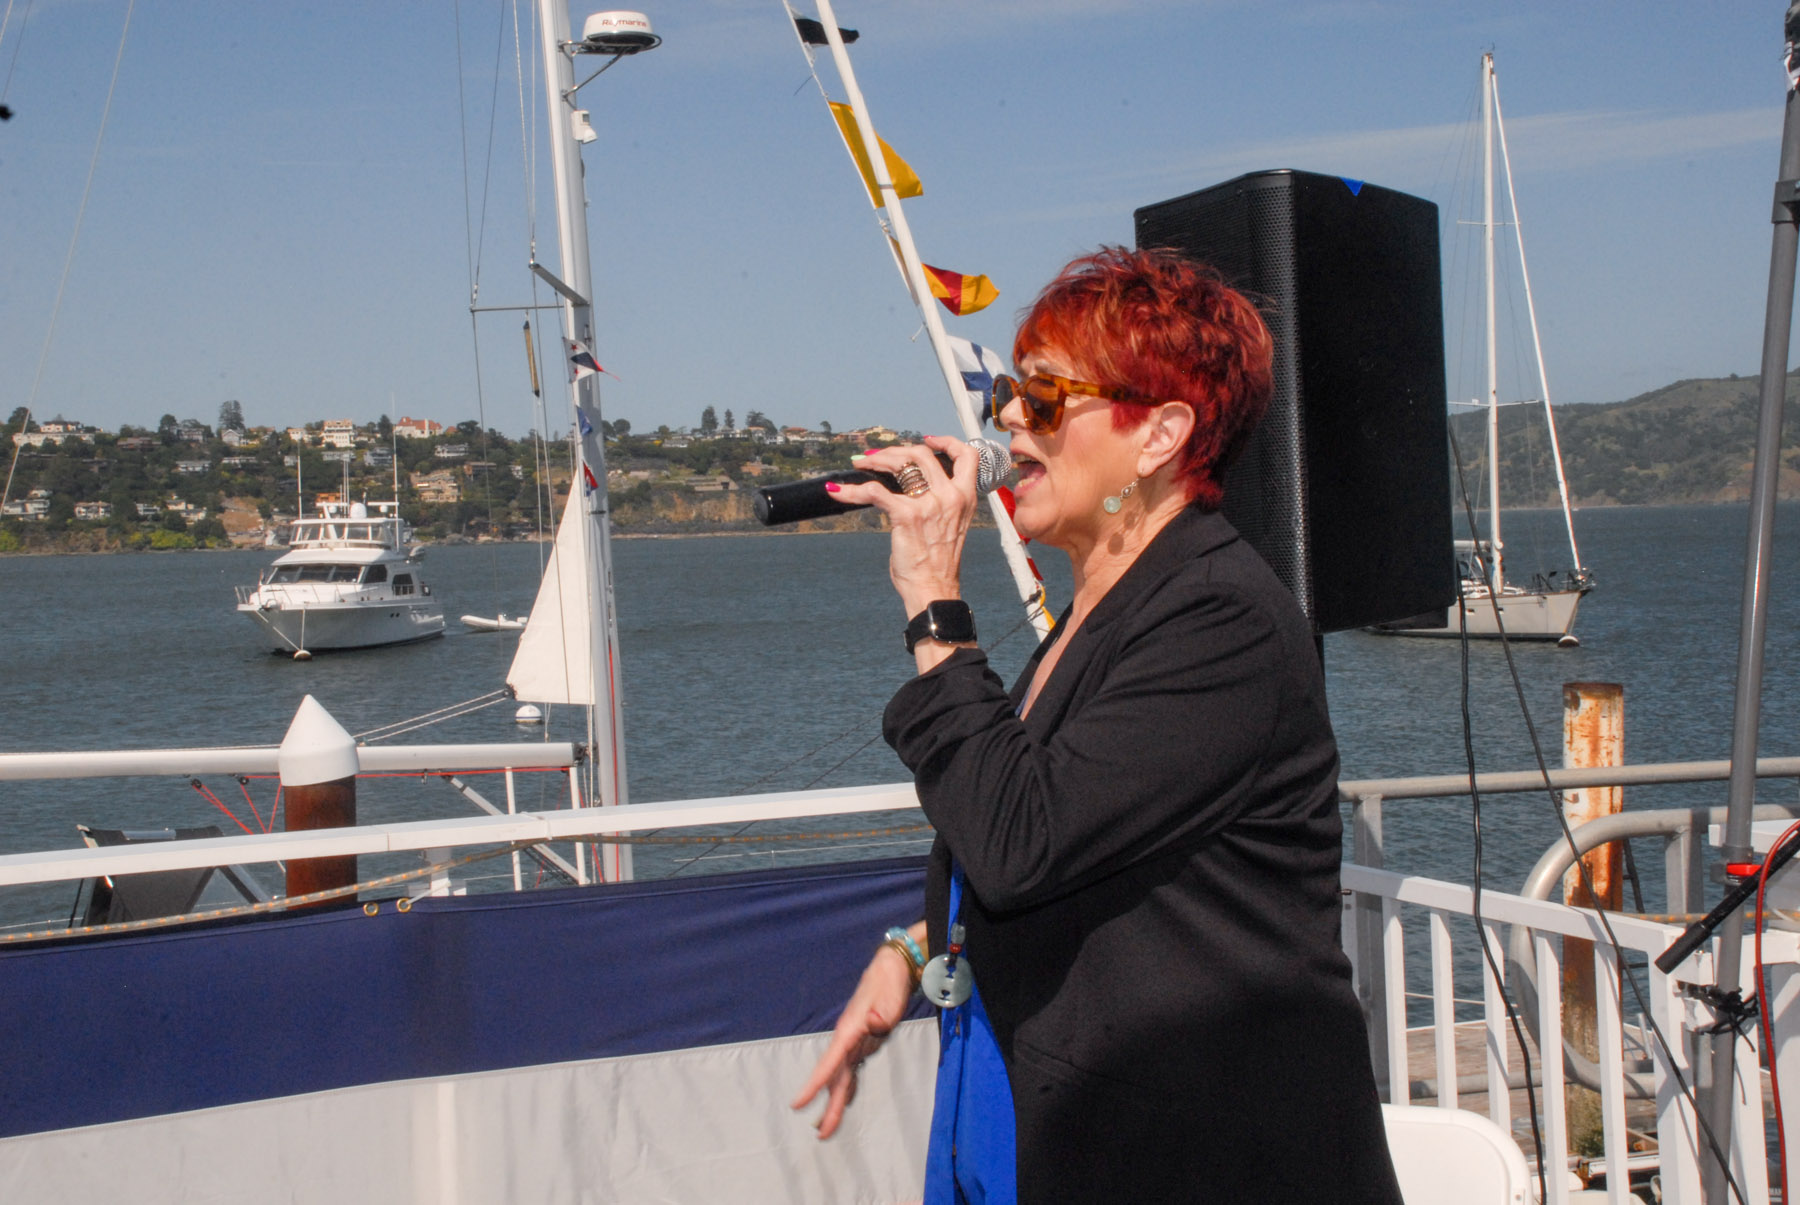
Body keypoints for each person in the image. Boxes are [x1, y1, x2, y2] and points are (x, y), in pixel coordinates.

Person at [791, 247, 1402, 1203]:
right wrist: (914, 946)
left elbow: (1021, 840)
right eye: (1008, 393)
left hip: (1208, 1155)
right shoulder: (1100, 616)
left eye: (1043, 397)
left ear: (1159, 434)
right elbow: (1082, 837)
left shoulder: (1222, 620)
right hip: (1074, 1121)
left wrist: (934, 601)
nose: (1006, 419)